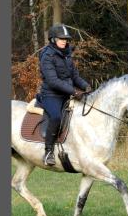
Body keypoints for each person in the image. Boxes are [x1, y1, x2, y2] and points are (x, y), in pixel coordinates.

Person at [38, 23, 91, 166]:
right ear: (53, 39)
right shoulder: (47, 56)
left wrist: (85, 85)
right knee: (56, 117)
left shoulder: (67, 55)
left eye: (66, 39)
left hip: (67, 94)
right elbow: (53, 81)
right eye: (61, 38)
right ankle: (48, 152)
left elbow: (75, 77)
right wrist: (74, 91)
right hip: (51, 95)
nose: (64, 41)